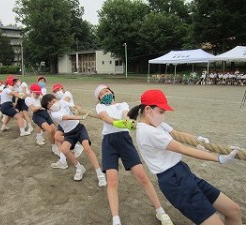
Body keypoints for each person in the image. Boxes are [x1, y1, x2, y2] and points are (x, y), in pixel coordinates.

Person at [128, 89, 242, 225]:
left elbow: (177, 134)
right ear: (148, 109)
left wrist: (198, 139)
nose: (163, 116)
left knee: (233, 210)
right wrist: (218, 158)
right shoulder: (147, 132)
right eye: (161, 112)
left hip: (183, 172)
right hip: (173, 180)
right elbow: (184, 149)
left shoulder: (156, 123)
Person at [94, 84, 173, 225]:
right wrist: (118, 123)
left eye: (106, 90)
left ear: (112, 92)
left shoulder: (123, 104)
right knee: (112, 180)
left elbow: (126, 115)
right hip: (109, 142)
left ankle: (160, 211)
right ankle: (116, 219)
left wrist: (127, 121)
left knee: (142, 176)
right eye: (101, 93)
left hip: (124, 140)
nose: (104, 94)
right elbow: (105, 118)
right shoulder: (100, 107)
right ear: (99, 98)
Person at [41, 94, 107, 187]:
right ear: (48, 109)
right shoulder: (54, 115)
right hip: (69, 134)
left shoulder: (62, 102)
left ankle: (100, 174)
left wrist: (76, 107)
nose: (53, 105)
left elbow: (73, 106)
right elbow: (67, 117)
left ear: (56, 99)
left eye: (53, 102)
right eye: (50, 105)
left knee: (87, 148)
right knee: (64, 149)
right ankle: (79, 168)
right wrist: (82, 117)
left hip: (79, 128)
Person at [25, 83, 59, 154]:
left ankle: (61, 146)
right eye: (36, 94)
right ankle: (54, 147)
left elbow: (47, 101)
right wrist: (42, 105)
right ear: (31, 92)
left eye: (39, 93)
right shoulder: (28, 99)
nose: (38, 95)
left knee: (55, 131)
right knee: (50, 130)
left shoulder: (40, 96)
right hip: (37, 115)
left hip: (45, 114)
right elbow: (33, 109)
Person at [52, 83, 84, 158]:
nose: (57, 92)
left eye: (58, 89)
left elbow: (67, 100)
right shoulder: (58, 100)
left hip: (69, 120)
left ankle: (75, 146)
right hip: (64, 120)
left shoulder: (67, 93)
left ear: (62, 89)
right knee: (57, 137)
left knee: (58, 137)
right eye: (55, 91)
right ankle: (64, 157)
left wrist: (72, 108)